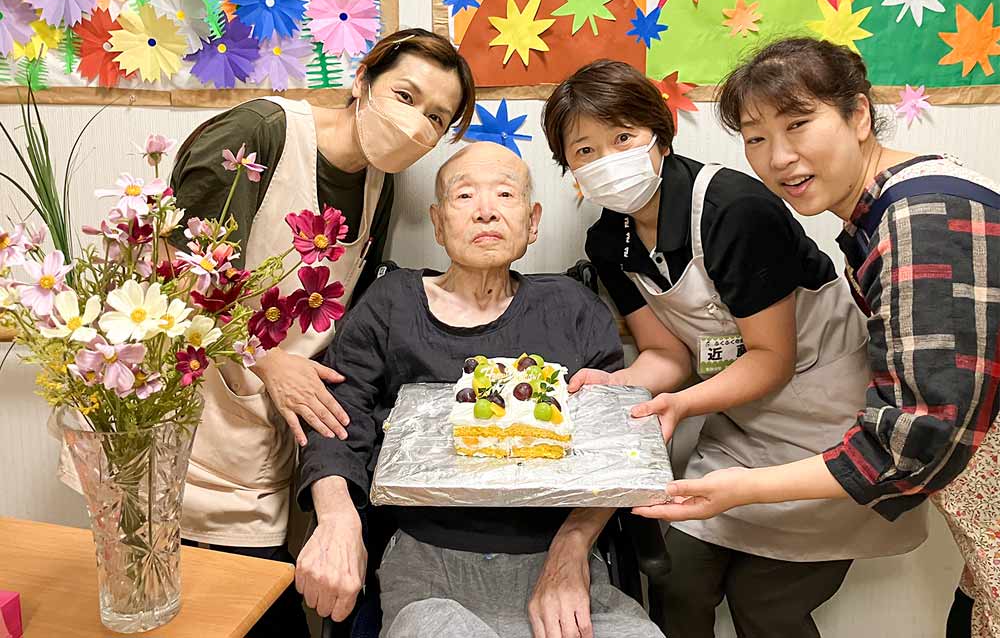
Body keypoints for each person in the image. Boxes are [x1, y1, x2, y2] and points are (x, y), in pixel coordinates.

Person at [541, 60, 927, 638]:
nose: (607, 160)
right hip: (742, 427)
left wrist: (680, 405)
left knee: (765, 605)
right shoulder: (608, 240)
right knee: (676, 581)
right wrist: (618, 387)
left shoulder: (732, 208)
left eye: (622, 138)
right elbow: (667, 355)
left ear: (661, 133)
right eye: (584, 150)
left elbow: (771, 358)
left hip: (830, 423)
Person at [638, 38, 1000, 638]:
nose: (779, 158)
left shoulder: (922, 217)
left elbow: (913, 441)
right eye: (756, 138)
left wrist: (740, 489)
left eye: (798, 124)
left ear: (858, 115)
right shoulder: (884, 210)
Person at [166, 28, 475, 636]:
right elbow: (173, 274)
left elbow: (343, 312)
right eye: (406, 96)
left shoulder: (379, 182)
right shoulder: (261, 134)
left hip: (274, 426)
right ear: (362, 80)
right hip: (193, 416)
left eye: (437, 118)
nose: (417, 124)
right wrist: (266, 360)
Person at [294, 142, 665, 638]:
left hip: (561, 558)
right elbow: (337, 418)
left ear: (533, 221)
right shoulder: (392, 303)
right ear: (437, 222)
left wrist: (573, 546)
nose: (486, 210)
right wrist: (337, 518)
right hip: (428, 564)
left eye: (505, 194)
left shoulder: (573, 308)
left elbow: (612, 447)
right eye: (464, 195)